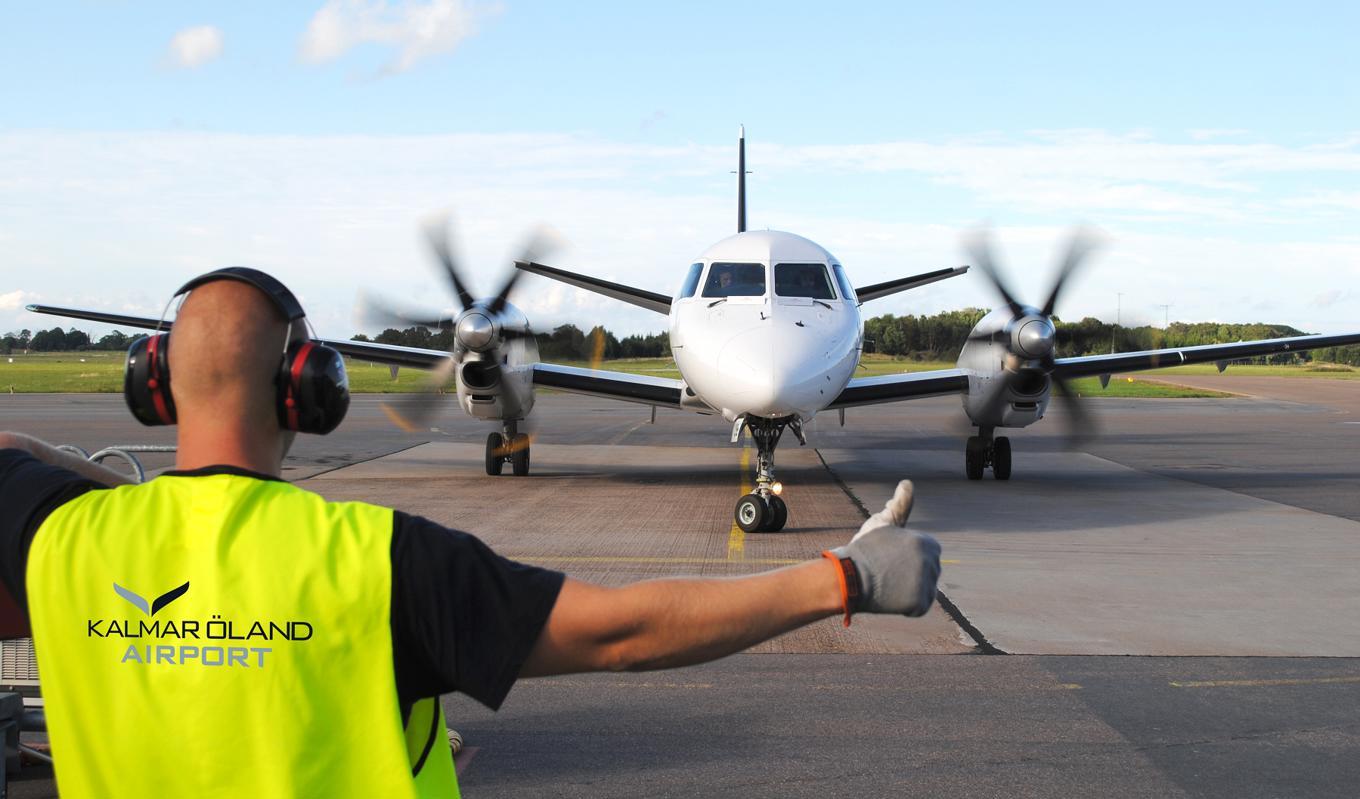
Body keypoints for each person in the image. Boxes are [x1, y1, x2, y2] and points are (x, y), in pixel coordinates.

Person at [0, 269, 941, 798]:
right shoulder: (378, 564)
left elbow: (12, 455)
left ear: (152, 383)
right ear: (308, 389)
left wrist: (84, 480)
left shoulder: (58, 541)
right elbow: (622, 632)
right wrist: (842, 579)